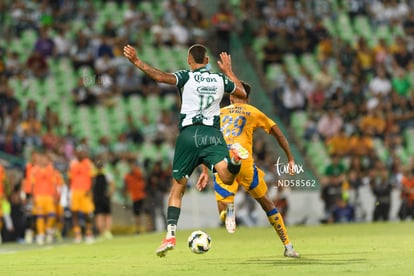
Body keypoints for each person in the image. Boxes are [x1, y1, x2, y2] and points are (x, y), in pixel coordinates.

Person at [123, 43, 248, 257]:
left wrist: (137, 62)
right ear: (207, 61)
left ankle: (170, 235)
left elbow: (161, 77)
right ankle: (235, 160)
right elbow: (242, 93)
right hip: (212, 134)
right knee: (227, 177)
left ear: (189, 61)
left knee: (177, 188)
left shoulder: (186, 76)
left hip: (189, 135)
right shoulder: (219, 79)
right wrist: (228, 71)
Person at [197, 81, 299, 258]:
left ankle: (229, 212)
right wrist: (290, 158)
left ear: (230, 97)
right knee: (268, 204)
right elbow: (278, 134)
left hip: (222, 162)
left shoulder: (218, 114)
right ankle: (288, 247)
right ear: (248, 98)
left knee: (222, 206)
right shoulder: (253, 111)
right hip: (246, 165)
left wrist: (204, 172)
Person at [67, 146, 96, 243]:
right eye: (79, 152)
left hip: (85, 191)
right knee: (74, 213)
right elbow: (69, 179)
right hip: (75, 191)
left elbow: (93, 178)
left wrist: (90, 189)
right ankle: (77, 234)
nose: (81, 154)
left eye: (82, 152)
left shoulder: (89, 164)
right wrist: (69, 191)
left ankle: (89, 232)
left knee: (88, 213)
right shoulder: (73, 164)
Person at [123, 159, 148, 234]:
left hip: (141, 196)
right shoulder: (128, 176)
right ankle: (138, 230)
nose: (132, 167)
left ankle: (148, 228)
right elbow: (126, 186)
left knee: (145, 212)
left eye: (133, 165)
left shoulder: (137, 172)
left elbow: (143, 179)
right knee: (137, 214)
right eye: (131, 165)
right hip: (134, 197)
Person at [92, 159, 115, 240]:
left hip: (97, 197)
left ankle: (102, 233)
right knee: (106, 215)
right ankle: (107, 232)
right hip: (104, 196)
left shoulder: (93, 174)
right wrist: (110, 193)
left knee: (99, 215)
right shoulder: (106, 173)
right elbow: (112, 184)